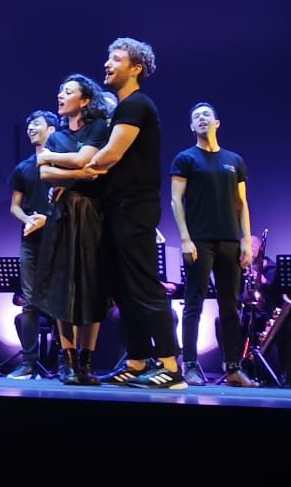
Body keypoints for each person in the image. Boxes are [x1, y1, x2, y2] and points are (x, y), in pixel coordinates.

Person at [54, 39, 184, 388]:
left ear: (136, 68)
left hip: (133, 207)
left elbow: (108, 156)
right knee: (124, 288)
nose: (107, 64)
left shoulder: (137, 104)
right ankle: (138, 361)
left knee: (143, 284)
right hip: (117, 208)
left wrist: (66, 169)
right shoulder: (123, 108)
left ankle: (171, 366)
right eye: (107, 57)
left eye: (116, 59)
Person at [169, 103, 258, 387]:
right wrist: (185, 238)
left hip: (230, 240)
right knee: (193, 303)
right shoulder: (185, 159)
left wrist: (246, 239)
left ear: (217, 123)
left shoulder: (234, 160)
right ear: (191, 127)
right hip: (199, 240)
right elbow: (175, 201)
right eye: (196, 117)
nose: (202, 119)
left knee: (230, 305)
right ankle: (190, 366)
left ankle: (233, 368)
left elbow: (242, 204)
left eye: (206, 115)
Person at [36, 74, 111, 384]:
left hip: (93, 214)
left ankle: (86, 362)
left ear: (85, 100)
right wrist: (80, 173)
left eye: (68, 91)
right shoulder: (55, 136)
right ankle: (67, 361)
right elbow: (44, 175)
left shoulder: (98, 128)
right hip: (63, 215)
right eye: (60, 90)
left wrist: (58, 163)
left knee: (92, 289)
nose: (60, 95)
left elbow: (89, 160)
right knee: (61, 289)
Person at [6, 111, 61, 379]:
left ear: (51, 130)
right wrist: (28, 218)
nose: (31, 127)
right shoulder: (24, 167)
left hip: (59, 238)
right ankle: (29, 363)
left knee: (62, 300)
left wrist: (47, 220)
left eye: (36, 124)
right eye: (29, 123)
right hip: (30, 241)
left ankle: (67, 361)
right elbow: (15, 207)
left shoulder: (63, 162)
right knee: (29, 302)